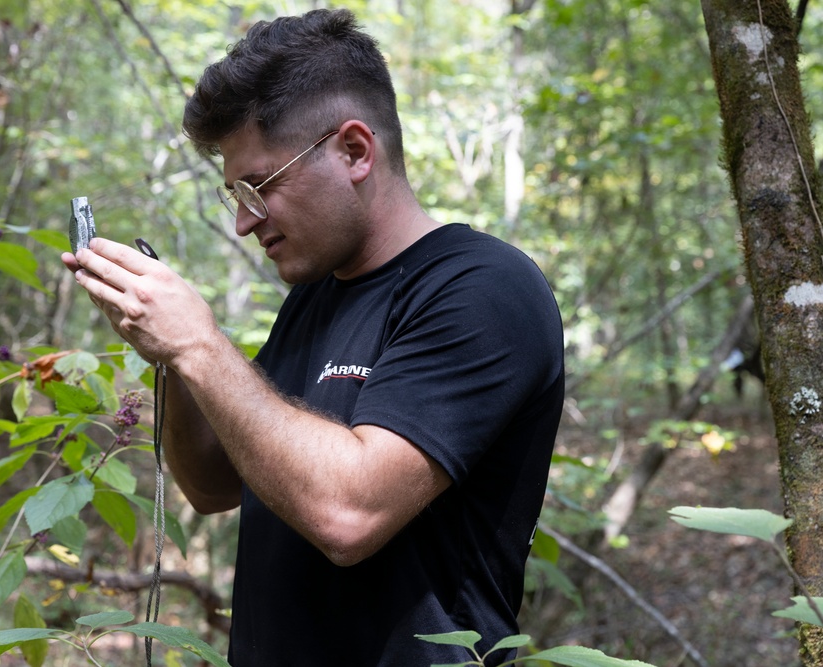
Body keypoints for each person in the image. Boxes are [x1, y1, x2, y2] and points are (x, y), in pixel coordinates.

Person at [62, 8, 564, 666]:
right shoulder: (313, 298)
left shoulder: (485, 289)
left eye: (258, 184)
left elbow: (349, 514)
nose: (245, 221)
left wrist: (200, 344)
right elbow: (213, 484)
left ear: (354, 151)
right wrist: (167, 356)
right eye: (233, 192)